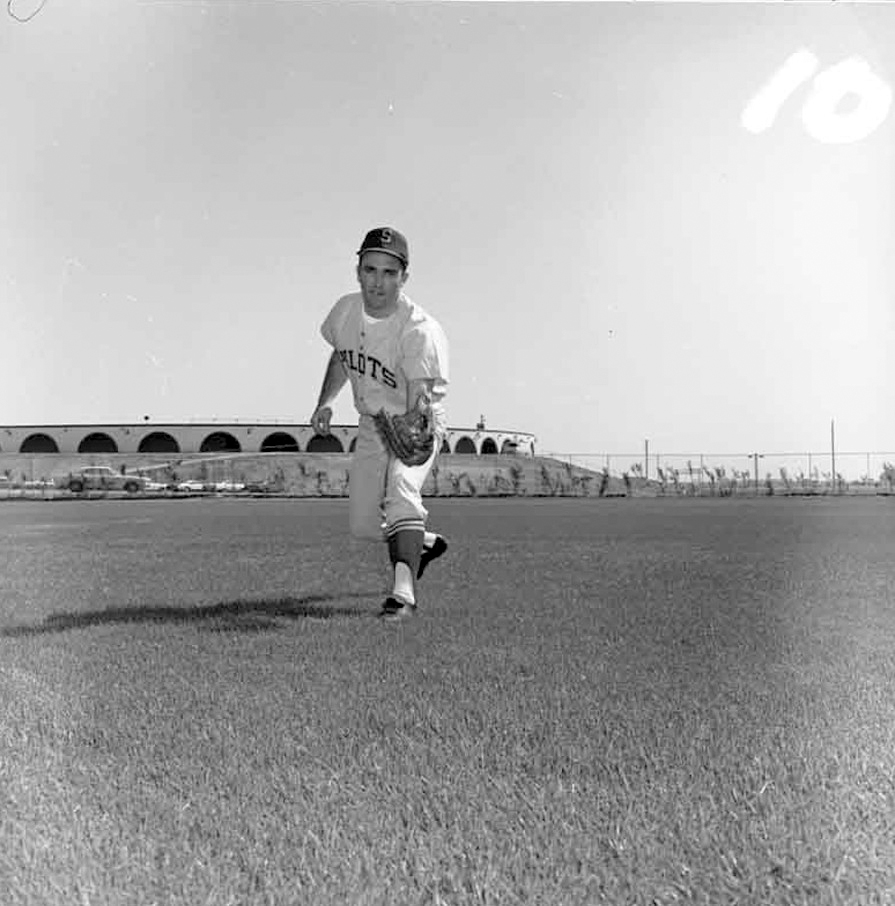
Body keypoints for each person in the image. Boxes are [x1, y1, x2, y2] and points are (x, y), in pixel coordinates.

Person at [310, 227, 449, 622]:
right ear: (357, 271)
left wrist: (411, 437)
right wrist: (325, 401)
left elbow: (419, 399)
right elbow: (342, 356)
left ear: (404, 277)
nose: (378, 281)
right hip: (372, 421)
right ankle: (421, 543)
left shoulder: (419, 330)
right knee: (364, 525)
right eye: (370, 269)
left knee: (403, 489)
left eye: (390, 272)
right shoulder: (344, 311)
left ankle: (402, 595)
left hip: (416, 421)